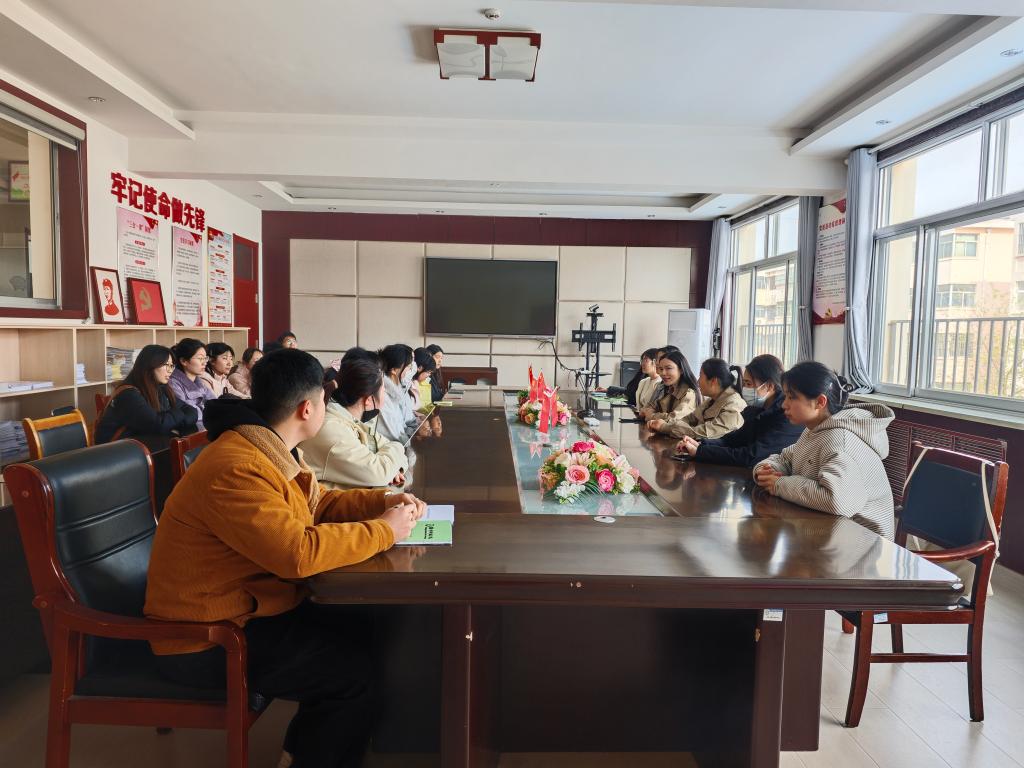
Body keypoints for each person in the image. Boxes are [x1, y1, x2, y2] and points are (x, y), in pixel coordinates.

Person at [145, 348, 426, 768]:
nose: (328, 408)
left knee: (369, 627)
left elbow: (319, 504)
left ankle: (303, 750)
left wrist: (382, 502)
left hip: (252, 607)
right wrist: (385, 530)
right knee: (353, 674)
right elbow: (298, 553)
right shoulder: (238, 466)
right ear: (307, 408)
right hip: (208, 636)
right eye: (325, 401)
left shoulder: (269, 447)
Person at [753, 361, 895, 539]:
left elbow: (836, 500)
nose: (784, 405)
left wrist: (779, 484)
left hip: (862, 543)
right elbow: (787, 458)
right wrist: (767, 470)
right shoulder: (815, 429)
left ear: (820, 402)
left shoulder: (840, 441)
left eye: (791, 397)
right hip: (831, 533)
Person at [301, 353, 408, 490]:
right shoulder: (331, 428)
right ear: (368, 400)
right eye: (384, 390)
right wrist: (390, 465)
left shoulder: (350, 419)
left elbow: (390, 449)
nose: (385, 395)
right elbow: (379, 473)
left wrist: (393, 468)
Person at [677, 354, 803, 467]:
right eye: (744, 384)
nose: (744, 389)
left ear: (769, 386)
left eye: (748, 384)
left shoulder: (786, 416)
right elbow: (733, 440)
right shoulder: (756, 409)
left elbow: (751, 456)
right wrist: (700, 444)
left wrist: (700, 451)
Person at [95, 345, 199, 443]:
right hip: (116, 450)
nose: (170, 370)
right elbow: (158, 425)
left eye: (172, 366)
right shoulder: (128, 394)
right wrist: (179, 415)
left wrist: (174, 418)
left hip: (140, 443)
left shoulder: (161, 388)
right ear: (150, 365)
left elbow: (192, 411)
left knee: (189, 437)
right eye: (166, 365)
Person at [657, 358, 745, 439]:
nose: (698, 381)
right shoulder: (711, 400)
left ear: (713, 381)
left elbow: (704, 433)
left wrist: (666, 428)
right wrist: (669, 426)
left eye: (700, 376)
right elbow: (690, 418)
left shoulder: (734, 405)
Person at [639, 349, 701, 429]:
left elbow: (675, 419)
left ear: (681, 370)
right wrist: (648, 412)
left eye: (668, 368)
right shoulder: (668, 389)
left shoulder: (689, 393)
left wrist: (652, 416)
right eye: (661, 369)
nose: (663, 373)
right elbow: (651, 407)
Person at [377, 344, 422, 443]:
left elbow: (410, 423)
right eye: (409, 367)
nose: (412, 370)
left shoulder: (398, 390)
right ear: (394, 370)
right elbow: (396, 438)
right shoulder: (382, 397)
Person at [167, 338, 215, 429]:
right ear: (183, 361)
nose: (205, 362)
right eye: (200, 358)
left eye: (205, 358)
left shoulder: (198, 381)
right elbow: (188, 412)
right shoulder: (173, 383)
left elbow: (214, 403)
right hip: (190, 429)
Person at [412, 347, 437, 413]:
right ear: (420, 368)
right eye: (428, 372)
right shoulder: (411, 384)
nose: (429, 375)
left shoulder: (422, 381)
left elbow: (427, 404)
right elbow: (415, 408)